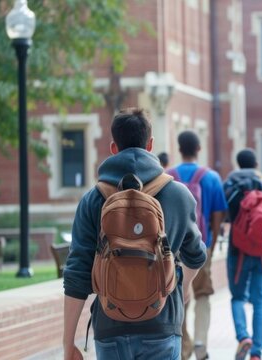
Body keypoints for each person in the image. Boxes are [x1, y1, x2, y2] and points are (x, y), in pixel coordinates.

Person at [62, 108, 207, 360]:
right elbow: (196, 255)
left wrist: (68, 343)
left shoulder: (93, 199)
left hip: (110, 326)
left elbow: (77, 274)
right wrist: (181, 288)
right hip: (162, 324)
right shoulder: (179, 195)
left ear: (113, 147)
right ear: (150, 145)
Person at [168, 131, 228, 360]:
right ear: (199, 149)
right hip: (202, 246)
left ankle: (184, 345)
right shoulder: (211, 177)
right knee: (202, 293)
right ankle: (201, 343)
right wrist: (209, 243)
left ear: (179, 148)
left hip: (172, 249)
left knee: (177, 295)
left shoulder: (168, 176)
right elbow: (218, 213)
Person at [223, 149, 262, 360]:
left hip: (238, 252)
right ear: (255, 164)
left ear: (237, 163)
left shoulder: (229, 187)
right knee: (259, 301)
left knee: (237, 298)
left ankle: (243, 336)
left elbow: (222, 216)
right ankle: (257, 353)